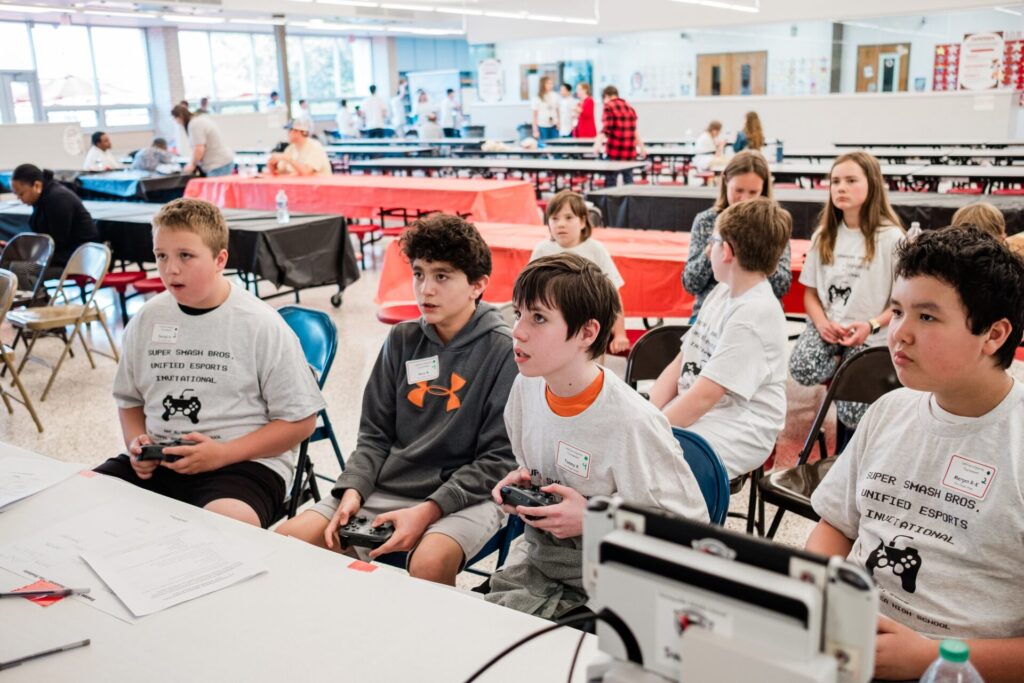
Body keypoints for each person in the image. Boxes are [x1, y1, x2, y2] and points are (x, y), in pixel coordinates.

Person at [806, 226, 1024, 683]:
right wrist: (827, 594)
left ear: (994, 335)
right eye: (898, 310)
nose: (899, 334)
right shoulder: (890, 410)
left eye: (927, 317)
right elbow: (836, 526)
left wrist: (932, 657)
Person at [275, 214, 518, 587]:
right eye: (419, 274)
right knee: (287, 541)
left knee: (430, 563)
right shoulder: (402, 340)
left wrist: (428, 511)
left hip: (467, 495)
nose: (425, 290)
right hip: (388, 486)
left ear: (477, 285)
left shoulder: (503, 351)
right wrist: (353, 489)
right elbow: (373, 436)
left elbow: (497, 461)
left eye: (442, 276)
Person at [485, 253, 708, 620]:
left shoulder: (632, 423)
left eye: (538, 318)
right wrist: (526, 486)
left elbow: (691, 532)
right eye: (518, 313)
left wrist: (593, 519)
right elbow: (542, 467)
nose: (518, 331)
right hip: (543, 562)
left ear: (587, 333)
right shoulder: (526, 388)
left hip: (618, 580)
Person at [93, 198, 324, 528]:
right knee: (87, 500)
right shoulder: (147, 319)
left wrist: (224, 453)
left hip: (243, 463)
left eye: (185, 256)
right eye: (161, 256)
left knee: (223, 527)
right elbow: (129, 401)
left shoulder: (260, 324)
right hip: (162, 461)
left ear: (220, 260)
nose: (170, 269)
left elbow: (301, 422)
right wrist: (136, 443)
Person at [650, 199, 791, 479]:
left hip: (739, 425)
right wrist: (647, 412)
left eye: (712, 242)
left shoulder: (753, 313)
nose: (709, 248)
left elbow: (704, 397)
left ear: (726, 251)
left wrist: (651, 429)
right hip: (706, 410)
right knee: (630, 433)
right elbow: (682, 360)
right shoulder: (721, 292)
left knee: (653, 462)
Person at [789, 152, 905, 430]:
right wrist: (822, 324)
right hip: (830, 329)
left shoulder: (891, 238)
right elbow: (810, 295)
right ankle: (841, 362)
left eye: (851, 181)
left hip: (870, 335)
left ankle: (848, 365)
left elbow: (903, 304)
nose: (841, 188)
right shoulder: (823, 236)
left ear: (872, 185)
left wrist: (871, 324)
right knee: (802, 368)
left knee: (854, 416)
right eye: (835, 181)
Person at [683, 151, 792, 319]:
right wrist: (711, 250)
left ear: (763, 190)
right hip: (710, 313)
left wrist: (757, 252)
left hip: (757, 313)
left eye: (753, 192)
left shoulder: (773, 224)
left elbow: (782, 286)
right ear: (726, 182)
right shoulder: (706, 221)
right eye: (738, 190)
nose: (744, 199)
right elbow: (691, 284)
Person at [529, 190, 629, 354]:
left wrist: (619, 333)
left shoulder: (596, 250)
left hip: (589, 325)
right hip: (551, 324)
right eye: (554, 218)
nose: (561, 224)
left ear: (582, 221)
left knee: (588, 366)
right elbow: (530, 292)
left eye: (568, 218)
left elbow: (613, 294)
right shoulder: (542, 250)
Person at [9, 164, 99, 269]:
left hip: (79, 257)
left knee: (19, 268)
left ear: (37, 185)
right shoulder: (42, 197)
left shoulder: (58, 199)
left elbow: (58, 242)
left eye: (21, 194)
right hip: (62, 254)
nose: (19, 198)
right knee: (10, 263)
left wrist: (31, 256)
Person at [595, 85, 645, 186]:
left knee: (610, 185)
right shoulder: (629, 108)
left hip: (615, 150)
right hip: (629, 152)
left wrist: (597, 144)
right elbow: (634, 130)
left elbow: (606, 128)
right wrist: (642, 148)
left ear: (606, 96)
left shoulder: (609, 106)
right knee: (629, 183)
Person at [172, 104, 235, 177]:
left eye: (175, 119)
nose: (176, 122)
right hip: (221, 163)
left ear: (180, 116)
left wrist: (192, 165)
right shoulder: (198, 120)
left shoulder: (194, 124)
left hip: (218, 165)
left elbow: (199, 149)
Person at [267, 120, 332, 177]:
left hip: (319, 185)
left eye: (291, 130)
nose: (288, 133)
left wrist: (287, 158)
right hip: (300, 185)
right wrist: (272, 165)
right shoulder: (290, 148)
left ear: (302, 132)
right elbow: (280, 172)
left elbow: (306, 172)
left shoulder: (315, 147)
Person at [531, 76, 559, 142]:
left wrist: (559, 123)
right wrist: (535, 130)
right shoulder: (536, 98)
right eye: (548, 83)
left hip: (554, 125)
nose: (551, 85)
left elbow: (558, 111)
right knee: (544, 146)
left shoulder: (555, 95)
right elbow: (534, 116)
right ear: (543, 84)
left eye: (551, 83)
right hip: (542, 126)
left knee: (556, 145)